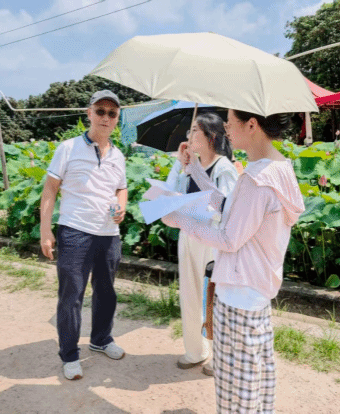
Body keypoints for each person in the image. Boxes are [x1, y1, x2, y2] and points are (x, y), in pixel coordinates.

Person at [162, 109, 305, 413]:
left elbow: (229, 238)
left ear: (252, 125)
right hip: (255, 290)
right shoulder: (277, 168)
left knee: (235, 390)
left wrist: (180, 219)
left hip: (238, 295)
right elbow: (230, 208)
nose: (225, 127)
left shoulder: (256, 180)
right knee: (255, 380)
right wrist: (195, 171)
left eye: (229, 121)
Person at [40, 90, 128, 381]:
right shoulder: (68, 148)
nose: (105, 117)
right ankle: (69, 354)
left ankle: (101, 339)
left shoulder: (118, 155)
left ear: (117, 119)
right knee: (71, 295)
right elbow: (50, 189)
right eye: (100, 111)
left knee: (106, 291)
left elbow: (121, 188)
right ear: (88, 113)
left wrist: (122, 206)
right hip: (75, 231)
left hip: (109, 233)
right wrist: (45, 230)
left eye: (112, 113)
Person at [165, 113, 238, 376]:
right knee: (190, 294)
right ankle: (195, 351)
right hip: (188, 236)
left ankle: (221, 357)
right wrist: (179, 163)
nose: (189, 135)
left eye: (195, 130)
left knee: (213, 299)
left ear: (211, 137)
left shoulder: (223, 168)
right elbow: (168, 194)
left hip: (212, 241)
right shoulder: (189, 167)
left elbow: (227, 209)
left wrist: (194, 209)